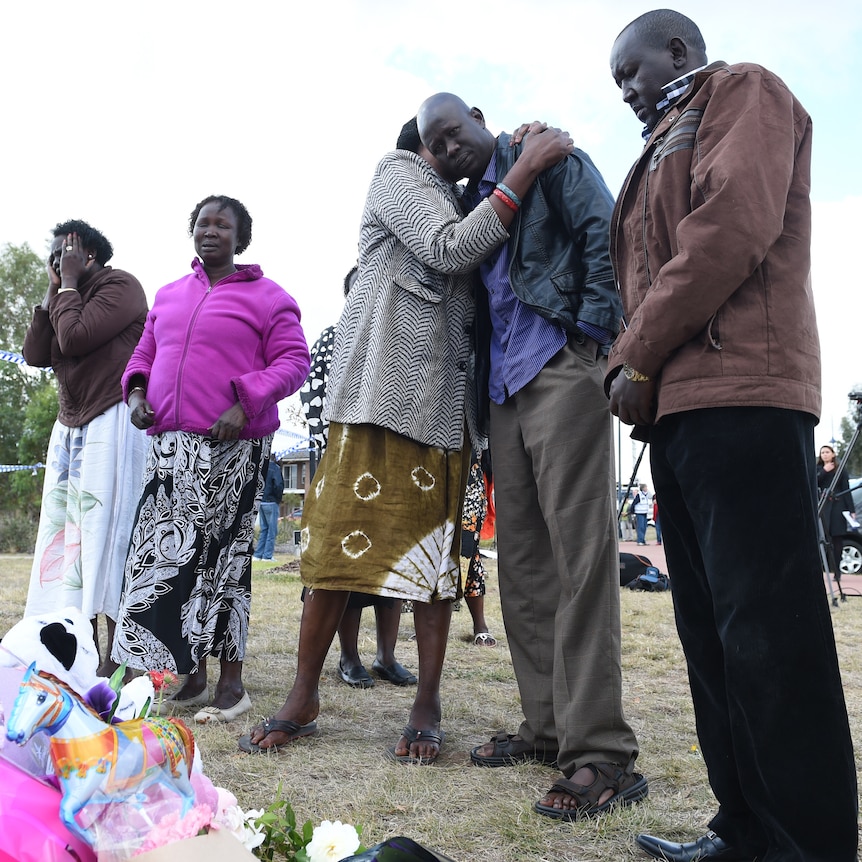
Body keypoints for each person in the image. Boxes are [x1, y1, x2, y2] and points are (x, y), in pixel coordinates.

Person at [240, 116, 572, 763]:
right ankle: (303, 695)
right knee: (334, 555)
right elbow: (449, 249)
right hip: (376, 403)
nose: (470, 141)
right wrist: (526, 168)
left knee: (434, 566)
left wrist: (517, 160)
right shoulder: (399, 173)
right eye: (458, 131)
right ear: (430, 138)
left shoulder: (471, 197)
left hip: (446, 414)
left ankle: (427, 702)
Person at [608, 10, 857, 861]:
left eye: (631, 72)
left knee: (770, 636)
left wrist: (633, 355)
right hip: (677, 408)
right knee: (710, 637)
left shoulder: (744, 90)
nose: (627, 92)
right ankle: (744, 830)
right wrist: (638, 371)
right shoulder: (658, 145)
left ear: (677, 51)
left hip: (745, 394)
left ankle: (808, 846)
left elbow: (730, 229)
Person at [418, 94, 644, 819]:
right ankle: (547, 728)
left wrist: (595, 340)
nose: (449, 148)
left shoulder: (551, 158)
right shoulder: (465, 207)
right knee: (519, 565)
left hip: (561, 362)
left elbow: (609, 241)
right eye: (435, 144)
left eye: (455, 132)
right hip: (503, 389)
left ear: (481, 118)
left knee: (581, 559)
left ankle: (602, 751)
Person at [111, 195, 310, 725]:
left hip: (232, 448)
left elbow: (294, 362)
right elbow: (143, 356)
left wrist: (243, 402)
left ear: (241, 238)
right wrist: (135, 394)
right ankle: (188, 675)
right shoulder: (169, 295)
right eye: (203, 222)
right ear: (192, 232)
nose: (211, 230)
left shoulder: (269, 298)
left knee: (221, 563)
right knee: (160, 562)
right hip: (170, 450)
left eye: (224, 224)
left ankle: (232, 683)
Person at [23, 219, 148, 677]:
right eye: (54, 256)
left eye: (65, 254)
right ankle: (79, 647)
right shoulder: (64, 295)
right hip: (72, 427)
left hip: (112, 422)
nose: (57, 262)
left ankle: (121, 659)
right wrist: (51, 291)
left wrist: (70, 285)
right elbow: (36, 354)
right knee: (69, 541)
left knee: (111, 537)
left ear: (89, 255)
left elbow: (74, 338)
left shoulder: (122, 287)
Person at [298, 263, 416, 690]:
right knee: (344, 565)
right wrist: (320, 474)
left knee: (391, 564)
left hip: (395, 467)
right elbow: (316, 413)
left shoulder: (404, 339)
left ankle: (387, 655)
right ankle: (349, 657)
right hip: (345, 465)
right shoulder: (334, 340)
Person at [460, 447, 496, 646]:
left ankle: (480, 625)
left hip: (472, 461)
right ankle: (427, 622)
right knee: (432, 545)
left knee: (469, 548)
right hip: (434, 453)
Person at [816, 444, 855, 582]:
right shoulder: (818, 469)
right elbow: (814, 482)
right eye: (822, 452)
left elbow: (846, 489)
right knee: (823, 539)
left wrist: (852, 510)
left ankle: (837, 571)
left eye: (827, 452)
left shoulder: (840, 469)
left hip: (838, 508)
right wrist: (824, 471)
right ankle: (821, 569)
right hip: (823, 507)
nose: (825, 454)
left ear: (833, 454)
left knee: (837, 540)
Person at [254, 453, 285, 561]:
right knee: (272, 530)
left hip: (261, 501)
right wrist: (278, 498)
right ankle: (267, 556)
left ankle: (258, 554)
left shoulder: (262, 466)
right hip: (271, 502)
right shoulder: (275, 468)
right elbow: (278, 484)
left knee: (264, 529)